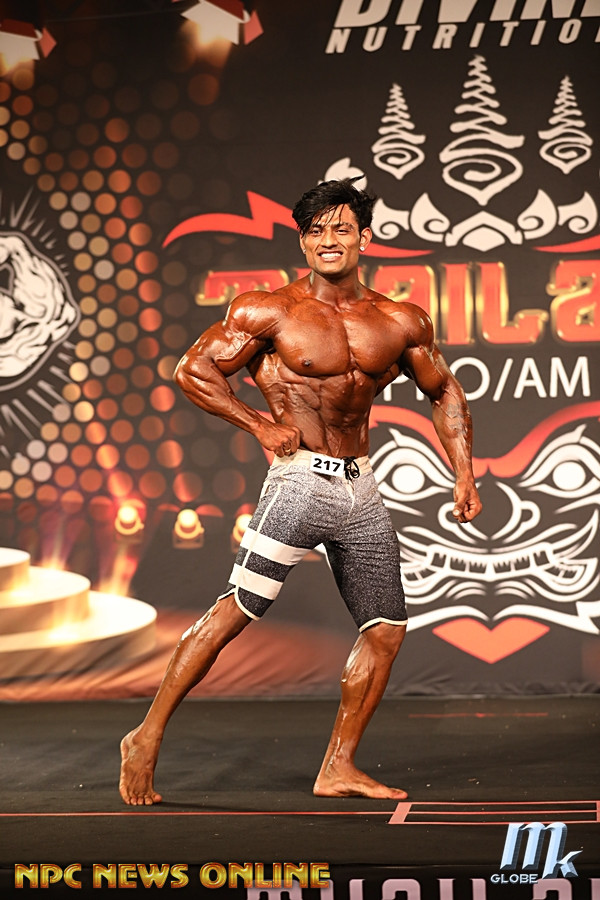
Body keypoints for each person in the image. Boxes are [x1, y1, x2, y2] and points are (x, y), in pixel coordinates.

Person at [119, 178, 482, 806]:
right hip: (298, 484)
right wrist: (260, 424)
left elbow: (444, 389)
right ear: (303, 242)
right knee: (238, 608)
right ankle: (145, 735)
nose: (328, 240)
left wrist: (464, 470)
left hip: (361, 490)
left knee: (386, 629)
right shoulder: (269, 310)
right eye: (316, 231)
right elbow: (193, 370)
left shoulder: (400, 319)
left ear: (365, 238)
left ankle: (338, 766)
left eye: (341, 228)